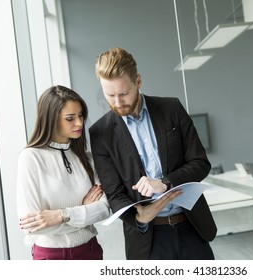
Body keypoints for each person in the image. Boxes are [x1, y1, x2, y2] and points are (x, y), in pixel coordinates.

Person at [89, 47, 217, 260]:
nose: (118, 103)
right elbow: (114, 193)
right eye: (109, 95)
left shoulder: (171, 108)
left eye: (123, 93)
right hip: (148, 241)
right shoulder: (100, 133)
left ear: (138, 81)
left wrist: (165, 182)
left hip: (191, 228)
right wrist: (140, 217)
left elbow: (200, 163)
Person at [17, 85, 110, 260]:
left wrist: (61, 215)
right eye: (70, 118)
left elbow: (105, 208)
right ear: (51, 119)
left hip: (90, 251)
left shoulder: (86, 157)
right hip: (52, 257)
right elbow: (32, 225)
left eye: (81, 115)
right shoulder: (31, 158)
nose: (79, 123)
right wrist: (84, 211)